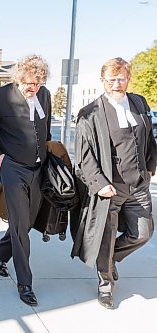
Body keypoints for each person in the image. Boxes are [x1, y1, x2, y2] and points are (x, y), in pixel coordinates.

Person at [72, 57, 156, 309]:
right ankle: (106, 284)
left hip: (139, 183)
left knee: (143, 233)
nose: (117, 84)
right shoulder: (90, 113)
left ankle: (110, 260)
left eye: (121, 78)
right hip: (111, 187)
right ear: (103, 81)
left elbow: (150, 138)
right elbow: (84, 155)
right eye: (111, 80)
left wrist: (151, 168)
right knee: (106, 237)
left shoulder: (139, 103)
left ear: (128, 78)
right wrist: (99, 184)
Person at [0, 55, 52, 306]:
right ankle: (25, 283)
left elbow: (45, 129)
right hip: (12, 168)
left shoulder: (45, 95)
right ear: (19, 78)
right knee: (19, 226)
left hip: (38, 168)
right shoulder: (0, 97)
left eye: (38, 83)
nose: (33, 88)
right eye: (29, 82)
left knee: (26, 223)